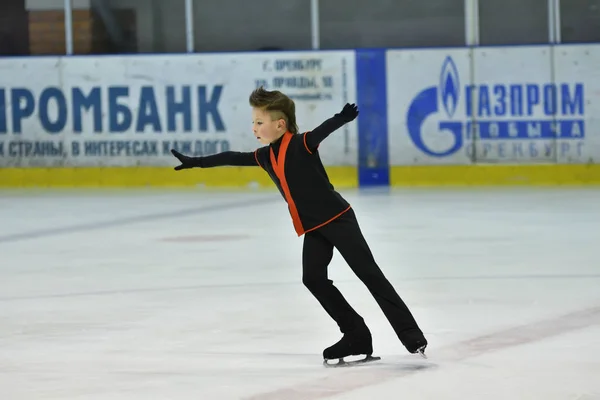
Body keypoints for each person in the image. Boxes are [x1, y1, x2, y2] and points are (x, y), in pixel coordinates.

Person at [170, 86, 428, 363]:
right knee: (313, 279)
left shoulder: (302, 143)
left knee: (369, 274)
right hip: (314, 228)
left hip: (339, 220)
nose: (254, 128)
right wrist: (195, 162)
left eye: (259, 122)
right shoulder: (266, 156)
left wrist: (341, 118)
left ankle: (411, 335)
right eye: (253, 122)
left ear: (280, 125)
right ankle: (356, 335)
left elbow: (321, 131)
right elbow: (232, 157)